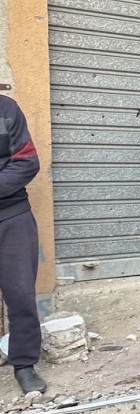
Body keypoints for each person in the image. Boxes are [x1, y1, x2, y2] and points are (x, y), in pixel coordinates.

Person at [0, 96, 46, 394]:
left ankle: (24, 365)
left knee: (20, 294)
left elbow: (28, 162)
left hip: (11, 215)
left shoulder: (7, 109)